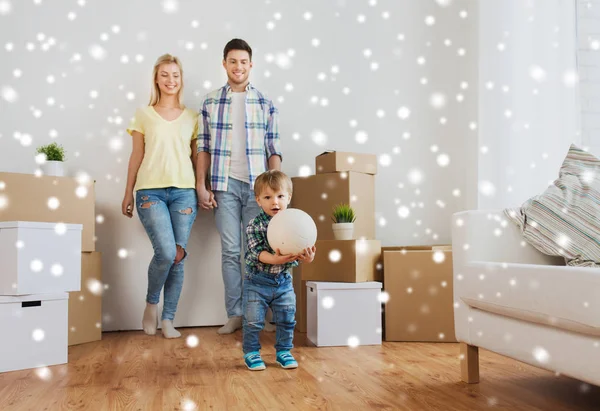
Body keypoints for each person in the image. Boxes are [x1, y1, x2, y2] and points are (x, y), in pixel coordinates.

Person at [196, 38, 282, 334]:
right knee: (231, 252)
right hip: (224, 185)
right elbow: (202, 145)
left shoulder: (264, 102)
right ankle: (235, 314)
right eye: (233, 61)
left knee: (259, 251)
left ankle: (259, 315)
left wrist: (277, 192)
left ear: (251, 64)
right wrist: (201, 185)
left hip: (258, 188)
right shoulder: (210, 101)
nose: (238, 67)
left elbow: (274, 146)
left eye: (243, 62)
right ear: (224, 64)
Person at [122, 53, 199, 339]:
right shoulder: (143, 114)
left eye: (175, 75)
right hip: (149, 191)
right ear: (156, 78)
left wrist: (202, 187)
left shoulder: (193, 117)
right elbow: (136, 155)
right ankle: (151, 303)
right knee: (165, 252)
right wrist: (127, 192)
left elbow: (196, 157)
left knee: (178, 255)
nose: (170, 80)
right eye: (165, 74)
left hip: (184, 193)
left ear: (181, 79)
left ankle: (169, 320)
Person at [243, 170, 316, 370]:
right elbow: (256, 253)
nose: (275, 202)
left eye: (280, 196)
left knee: (286, 319)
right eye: (268, 197)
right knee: (253, 321)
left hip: (283, 282)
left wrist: (308, 257)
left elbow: (302, 254)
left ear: (289, 198)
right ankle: (251, 352)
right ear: (258, 200)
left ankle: (284, 351)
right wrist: (275, 258)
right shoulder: (254, 226)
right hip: (256, 282)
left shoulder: (295, 225)